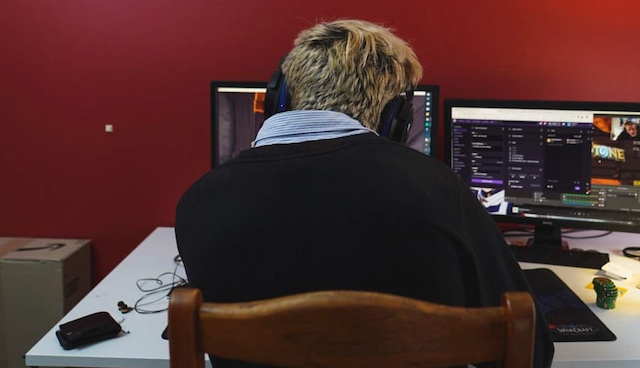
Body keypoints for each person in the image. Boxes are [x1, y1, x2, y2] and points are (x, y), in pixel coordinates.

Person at [175, 19, 554, 368]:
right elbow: (530, 348)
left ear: (281, 98)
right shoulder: (437, 189)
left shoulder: (200, 202)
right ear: (395, 119)